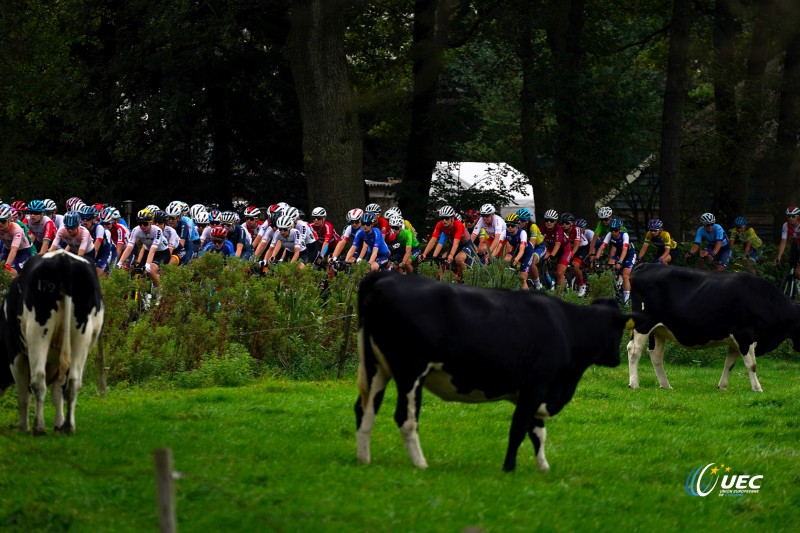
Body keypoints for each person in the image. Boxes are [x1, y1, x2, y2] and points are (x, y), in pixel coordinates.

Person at [116, 209, 172, 288]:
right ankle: (144, 296)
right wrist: (120, 262)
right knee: (139, 274)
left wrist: (148, 264)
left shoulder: (157, 231)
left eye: (145, 223)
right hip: (147, 251)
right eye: (140, 223)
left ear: (151, 222)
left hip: (162, 253)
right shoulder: (136, 230)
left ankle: (160, 290)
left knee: (151, 270)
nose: (142, 226)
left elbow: (153, 250)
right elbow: (129, 248)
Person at [419, 205, 477, 278]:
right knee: (446, 265)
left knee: (459, 259)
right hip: (453, 245)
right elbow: (433, 240)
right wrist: (424, 254)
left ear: (452, 218)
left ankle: (466, 280)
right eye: (442, 218)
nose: (444, 221)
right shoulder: (440, 225)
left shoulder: (458, 224)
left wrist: (451, 255)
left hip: (466, 245)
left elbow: (456, 242)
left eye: (446, 218)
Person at [596, 217, 637, 303]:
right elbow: (602, 247)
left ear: (620, 229)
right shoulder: (610, 234)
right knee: (609, 266)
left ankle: (626, 300)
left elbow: (625, 250)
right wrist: (596, 258)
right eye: (611, 230)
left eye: (615, 230)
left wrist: (620, 261)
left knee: (625, 275)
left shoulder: (625, 235)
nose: (613, 232)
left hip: (629, 254)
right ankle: (615, 284)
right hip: (619, 253)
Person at [539, 209, 571, 291]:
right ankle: (548, 280)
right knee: (543, 259)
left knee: (560, 273)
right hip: (551, 248)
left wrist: (552, 256)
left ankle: (561, 296)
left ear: (555, 222)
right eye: (547, 220)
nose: (549, 222)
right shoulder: (542, 229)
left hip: (564, 250)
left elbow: (558, 244)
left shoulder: (559, 229)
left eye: (551, 221)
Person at [0, 203, 35, 275]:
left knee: (11, 272)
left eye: (3, 221)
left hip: (23, 251)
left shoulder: (16, 229)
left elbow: (14, 250)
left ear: (9, 220)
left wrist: (7, 266)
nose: (0, 224)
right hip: (7, 248)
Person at [502, 213, 534, 290]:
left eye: (512, 226)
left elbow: (522, 250)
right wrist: (490, 256)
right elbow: (498, 246)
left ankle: (527, 299)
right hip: (516, 251)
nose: (509, 228)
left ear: (517, 226)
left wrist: (516, 259)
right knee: (505, 260)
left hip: (527, 253)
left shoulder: (522, 233)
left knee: (522, 280)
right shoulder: (504, 232)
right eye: (508, 225)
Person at [560, 213, 586, 296]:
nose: (564, 225)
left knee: (575, 265)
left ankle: (582, 285)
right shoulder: (560, 229)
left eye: (567, 223)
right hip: (570, 247)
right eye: (562, 223)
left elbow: (577, 244)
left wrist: (571, 254)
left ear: (571, 224)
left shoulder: (576, 229)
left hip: (582, 247)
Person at [775, 206, 800, 284]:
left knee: (798, 271)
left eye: (793, 216)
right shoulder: (785, 225)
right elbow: (783, 242)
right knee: (792, 265)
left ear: (798, 217)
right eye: (788, 216)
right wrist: (779, 256)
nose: (790, 218)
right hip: (795, 245)